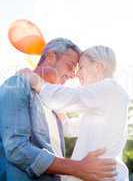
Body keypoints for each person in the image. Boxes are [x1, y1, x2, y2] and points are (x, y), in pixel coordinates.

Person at [0, 38, 116, 181]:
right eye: (71, 65)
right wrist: (77, 167)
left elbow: (67, 126)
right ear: (50, 57)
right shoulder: (16, 85)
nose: (73, 74)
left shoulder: (53, 106)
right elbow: (16, 148)